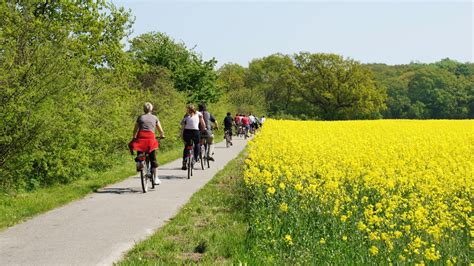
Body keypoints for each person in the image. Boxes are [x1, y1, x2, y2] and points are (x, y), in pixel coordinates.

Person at [129, 102, 165, 185]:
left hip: (141, 137)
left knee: (140, 150)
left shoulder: (140, 117)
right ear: (151, 109)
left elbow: (135, 129)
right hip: (150, 138)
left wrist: (134, 137)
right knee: (153, 159)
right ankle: (155, 178)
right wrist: (162, 135)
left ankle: (139, 161)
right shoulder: (155, 118)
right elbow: (160, 129)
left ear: (144, 109)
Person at [180, 104, 206, 170]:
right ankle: (195, 158)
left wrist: (182, 135)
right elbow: (203, 124)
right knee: (197, 143)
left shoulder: (186, 116)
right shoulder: (199, 114)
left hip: (187, 132)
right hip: (195, 132)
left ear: (187, 109)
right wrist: (204, 129)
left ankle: (184, 161)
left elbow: (182, 126)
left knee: (186, 146)